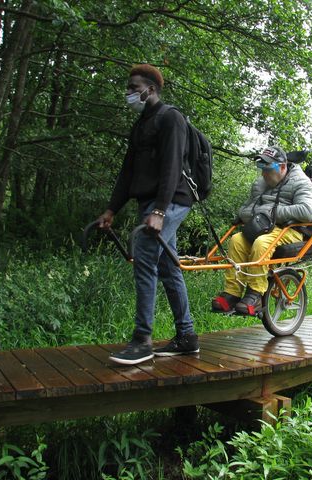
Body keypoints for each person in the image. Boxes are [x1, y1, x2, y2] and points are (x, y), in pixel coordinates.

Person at [97, 64, 199, 365]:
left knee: (144, 258)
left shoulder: (171, 119)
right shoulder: (141, 125)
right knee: (168, 266)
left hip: (172, 200)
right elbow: (128, 171)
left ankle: (142, 340)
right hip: (152, 203)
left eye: (133, 88)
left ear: (150, 89)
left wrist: (159, 210)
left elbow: (170, 168)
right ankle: (187, 337)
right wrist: (112, 209)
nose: (128, 93)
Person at [211, 146, 312, 316]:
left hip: (290, 230)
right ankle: (232, 293)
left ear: (282, 167)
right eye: (261, 168)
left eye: (268, 169)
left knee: (261, 243)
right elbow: (245, 209)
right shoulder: (262, 183)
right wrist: (255, 213)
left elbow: (307, 211)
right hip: (263, 227)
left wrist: (272, 212)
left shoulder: (302, 182)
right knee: (237, 240)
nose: (263, 174)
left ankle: (256, 294)